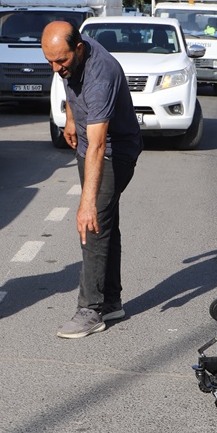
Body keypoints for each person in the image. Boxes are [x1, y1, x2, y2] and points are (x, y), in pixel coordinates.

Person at [41, 22, 143, 339]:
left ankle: (91, 309)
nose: (57, 68)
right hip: (89, 146)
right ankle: (111, 301)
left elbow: (100, 144)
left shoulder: (102, 75)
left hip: (115, 152)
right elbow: (69, 84)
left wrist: (86, 204)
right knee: (106, 221)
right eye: (50, 62)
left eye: (62, 61)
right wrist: (71, 119)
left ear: (79, 50)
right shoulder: (70, 56)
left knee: (94, 222)